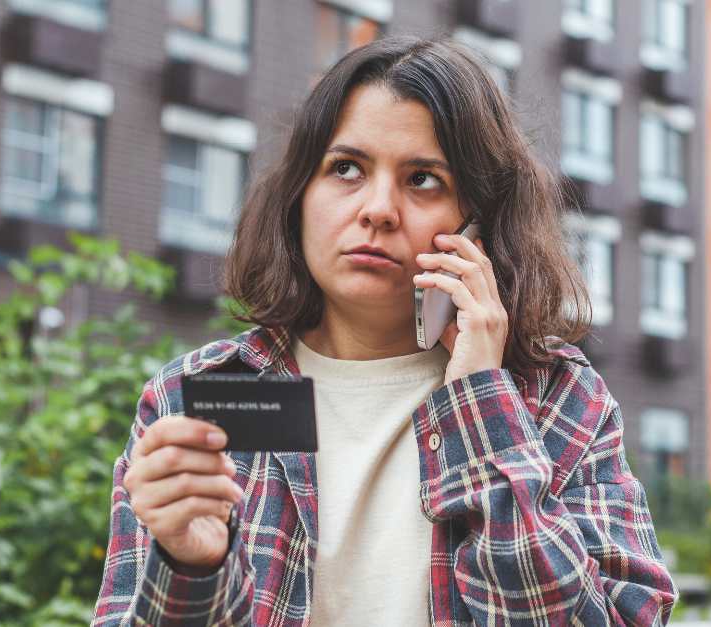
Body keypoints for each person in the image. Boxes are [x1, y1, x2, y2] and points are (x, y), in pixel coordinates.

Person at [91, 36, 676, 627]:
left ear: (479, 226)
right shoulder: (197, 395)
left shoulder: (558, 401)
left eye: (423, 179)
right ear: (300, 195)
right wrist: (191, 570)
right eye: (346, 169)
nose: (378, 209)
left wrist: (482, 403)